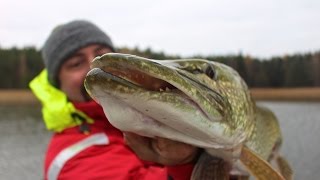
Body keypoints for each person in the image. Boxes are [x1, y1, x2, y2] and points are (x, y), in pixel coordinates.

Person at [29, 20, 199, 180]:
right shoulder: (72, 158)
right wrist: (186, 163)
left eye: (102, 55)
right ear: (58, 85)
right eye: (76, 63)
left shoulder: (140, 118)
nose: (93, 66)